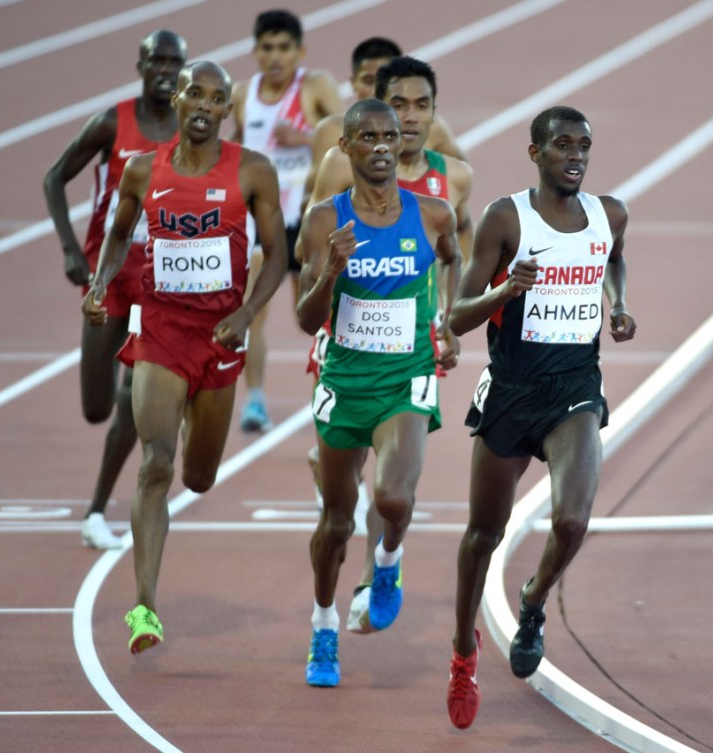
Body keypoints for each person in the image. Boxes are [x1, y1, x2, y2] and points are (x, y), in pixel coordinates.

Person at [83, 61, 288, 655]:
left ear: (227, 110)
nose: (203, 103)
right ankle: (144, 607)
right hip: (162, 330)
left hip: (221, 336)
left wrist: (247, 315)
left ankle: (203, 409)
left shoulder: (253, 170)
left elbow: (277, 254)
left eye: (216, 97)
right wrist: (101, 286)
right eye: (194, 92)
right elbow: (119, 233)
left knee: (198, 479)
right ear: (177, 98)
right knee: (155, 464)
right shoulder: (144, 170)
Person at [444, 106, 636, 729]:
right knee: (483, 536)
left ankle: (532, 600)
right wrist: (504, 290)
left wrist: (618, 303)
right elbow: (457, 315)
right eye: (561, 145)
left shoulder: (609, 213)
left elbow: (612, 257)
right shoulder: (507, 218)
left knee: (573, 520)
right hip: (510, 390)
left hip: (574, 389)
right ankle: (462, 653)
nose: (575, 155)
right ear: (536, 154)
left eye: (584, 145)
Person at [294, 98, 461, 687]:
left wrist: (445, 320)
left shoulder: (434, 214)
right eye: (368, 136)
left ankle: (387, 563)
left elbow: (454, 258)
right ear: (346, 147)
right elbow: (304, 318)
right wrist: (329, 273)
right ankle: (322, 626)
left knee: (393, 496)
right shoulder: (324, 221)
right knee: (337, 522)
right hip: (344, 380)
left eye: (390, 135)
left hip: (405, 376)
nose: (384, 146)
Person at [42, 30, 188, 550]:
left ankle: (98, 510)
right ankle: (117, 386)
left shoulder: (192, 131)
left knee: (134, 401)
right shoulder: (113, 123)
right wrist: (68, 248)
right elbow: (54, 177)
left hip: (163, 287)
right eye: (158, 61)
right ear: (141, 66)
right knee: (96, 408)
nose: (167, 70)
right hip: (110, 281)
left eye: (176, 62)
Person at [231, 9, 344, 433]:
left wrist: (305, 137)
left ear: (300, 51)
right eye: (267, 48)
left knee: (317, 312)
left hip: (307, 213)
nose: (275, 57)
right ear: (256, 51)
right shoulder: (244, 94)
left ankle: (329, 388)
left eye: (284, 48)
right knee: (252, 309)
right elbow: (242, 146)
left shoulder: (314, 86)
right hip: (260, 216)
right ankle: (255, 401)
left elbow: (342, 133)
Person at [301, 36, 465, 207]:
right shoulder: (331, 133)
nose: (374, 91)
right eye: (368, 80)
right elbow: (308, 204)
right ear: (353, 83)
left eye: (382, 83)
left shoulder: (433, 128)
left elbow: (459, 182)